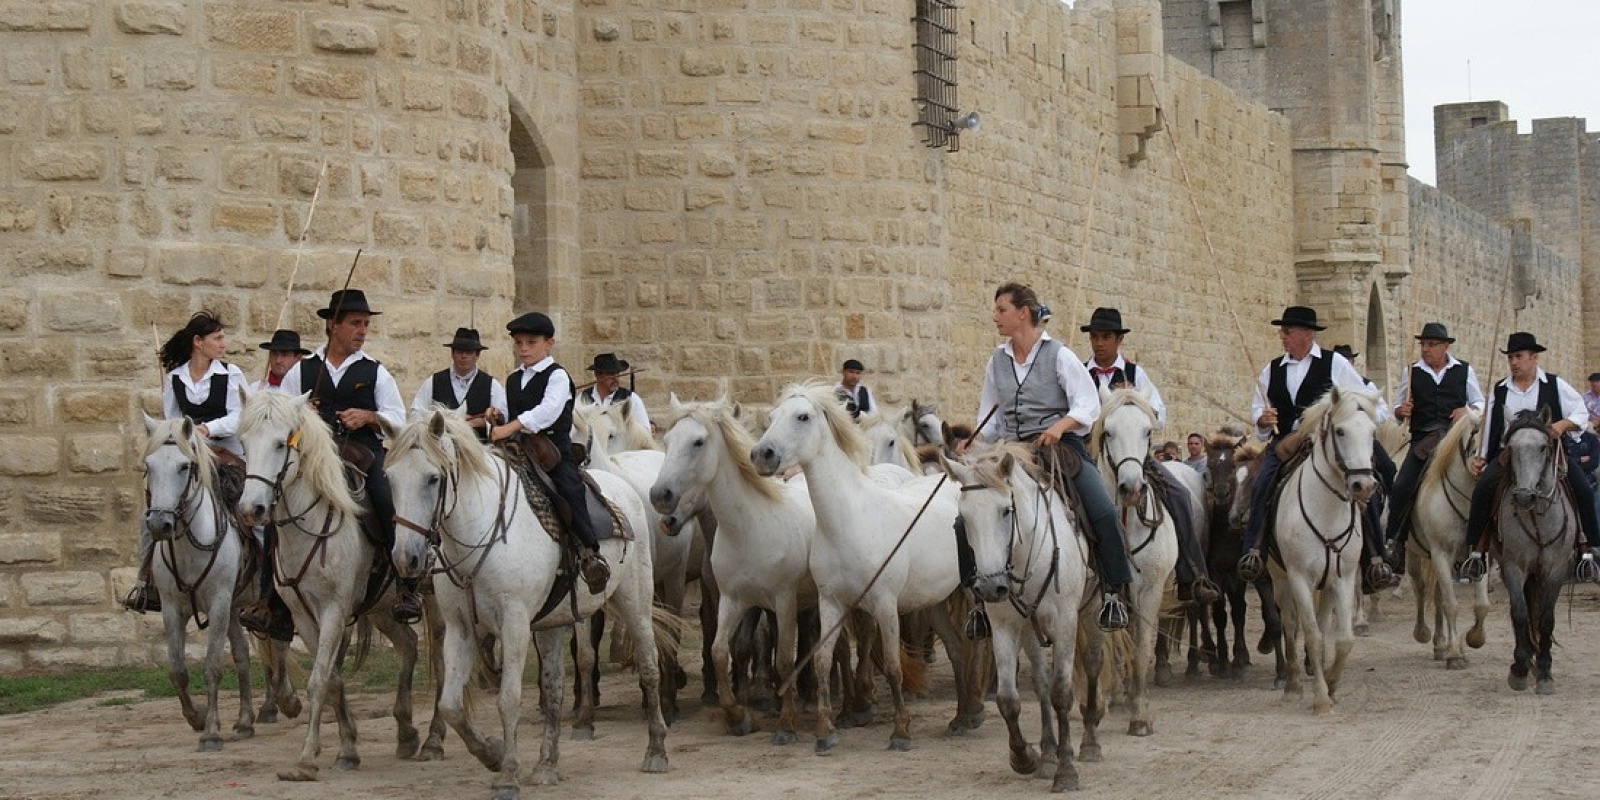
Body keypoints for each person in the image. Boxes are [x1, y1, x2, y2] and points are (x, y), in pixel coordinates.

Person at [239, 289, 417, 639]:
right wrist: (302, 414)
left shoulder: (375, 371)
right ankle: (269, 599)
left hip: (362, 454)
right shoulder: (302, 371)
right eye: (355, 323)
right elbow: (279, 416)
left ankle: (404, 586)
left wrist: (369, 416)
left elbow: (400, 419)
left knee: (386, 498)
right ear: (332, 325)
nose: (362, 330)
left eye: (365, 324)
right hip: (312, 458)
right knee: (278, 509)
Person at [962, 283, 1131, 630]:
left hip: (1061, 449)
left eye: (1001, 310)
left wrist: (1060, 425)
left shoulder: (1060, 355)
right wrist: (972, 447)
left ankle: (1113, 594)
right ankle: (978, 601)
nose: (995, 317)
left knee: (1103, 510)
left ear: (1022, 313)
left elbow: (1088, 405)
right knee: (964, 516)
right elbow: (990, 421)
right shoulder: (996, 361)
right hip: (1011, 453)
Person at [1237, 307, 1388, 585]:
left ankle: (1377, 557)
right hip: (1284, 443)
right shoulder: (1271, 369)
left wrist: (1362, 421)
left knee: (1367, 487)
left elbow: (1373, 403)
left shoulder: (1335, 364)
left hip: (1325, 443)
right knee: (1260, 485)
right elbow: (1258, 416)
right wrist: (1262, 420)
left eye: (1288, 332)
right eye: (1282, 332)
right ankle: (1254, 550)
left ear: (1306, 334)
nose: (1282, 337)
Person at [1081, 306, 1217, 604]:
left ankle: (1191, 574)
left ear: (1118, 340)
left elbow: (1160, 414)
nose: (1099, 343)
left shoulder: (1135, 373)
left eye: (1106, 337)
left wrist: (1137, 405)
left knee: (1180, 496)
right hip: (1094, 457)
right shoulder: (1079, 373)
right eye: (1095, 337)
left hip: (1135, 456)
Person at [123, 312, 250, 613]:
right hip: (189, 455)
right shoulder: (174, 378)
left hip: (224, 454)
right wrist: (183, 437)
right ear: (198, 342)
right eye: (217, 338)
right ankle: (146, 581)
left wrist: (208, 429)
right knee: (153, 511)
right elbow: (170, 421)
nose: (223, 344)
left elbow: (239, 416)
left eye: (222, 338)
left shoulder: (231, 375)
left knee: (248, 509)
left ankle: (262, 578)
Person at [1458, 332, 1600, 583]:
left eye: (1519, 357)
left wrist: (1562, 425)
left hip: (1549, 454)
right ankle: (1477, 552)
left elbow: (1580, 411)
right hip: (1510, 455)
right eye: (1511, 357)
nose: (1514, 362)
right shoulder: (1500, 389)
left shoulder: (1554, 385)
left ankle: (1586, 552)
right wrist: (1482, 457)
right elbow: (1491, 427)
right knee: (1482, 490)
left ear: (1533, 358)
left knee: (1583, 492)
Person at [489, 312, 610, 594]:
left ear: (549, 343)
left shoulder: (557, 376)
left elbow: (547, 411)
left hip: (553, 453)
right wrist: (498, 415)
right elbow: (513, 411)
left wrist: (511, 427)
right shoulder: (513, 378)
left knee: (569, 489)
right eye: (519, 343)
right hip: (518, 452)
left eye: (531, 342)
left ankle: (589, 553)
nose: (524, 349)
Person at [1381, 323, 1484, 575]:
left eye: (1431, 345)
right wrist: (1400, 411)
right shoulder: (1412, 372)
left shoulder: (1464, 370)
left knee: (1482, 484)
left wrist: (1466, 411)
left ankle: (1480, 547)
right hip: (1423, 441)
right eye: (1423, 344)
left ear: (1445, 346)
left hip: (1455, 440)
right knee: (1402, 485)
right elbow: (1397, 408)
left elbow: (1480, 403)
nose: (1425, 349)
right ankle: (1395, 541)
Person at [409, 327, 507, 441]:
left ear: (477, 355)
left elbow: (502, 418)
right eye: (459, 351)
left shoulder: (492, 385)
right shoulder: (434, 381)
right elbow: (415, 413)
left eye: (469, 352)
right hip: (440, 451)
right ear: (452, 353)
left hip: (479, 452)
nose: (463, 356)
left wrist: (481, 422)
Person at [580, 352, 651, 432]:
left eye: (617, 374)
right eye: (611, 374)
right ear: (597, 374)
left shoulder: (631, 399)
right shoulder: (582, 399)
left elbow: (645, 431)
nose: (616, 378)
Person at [248, 329, 310, 394]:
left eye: (284, 355)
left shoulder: (303, 391)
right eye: (274, 354)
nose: (278, 360)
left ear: (298, 358)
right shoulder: (254, 390)